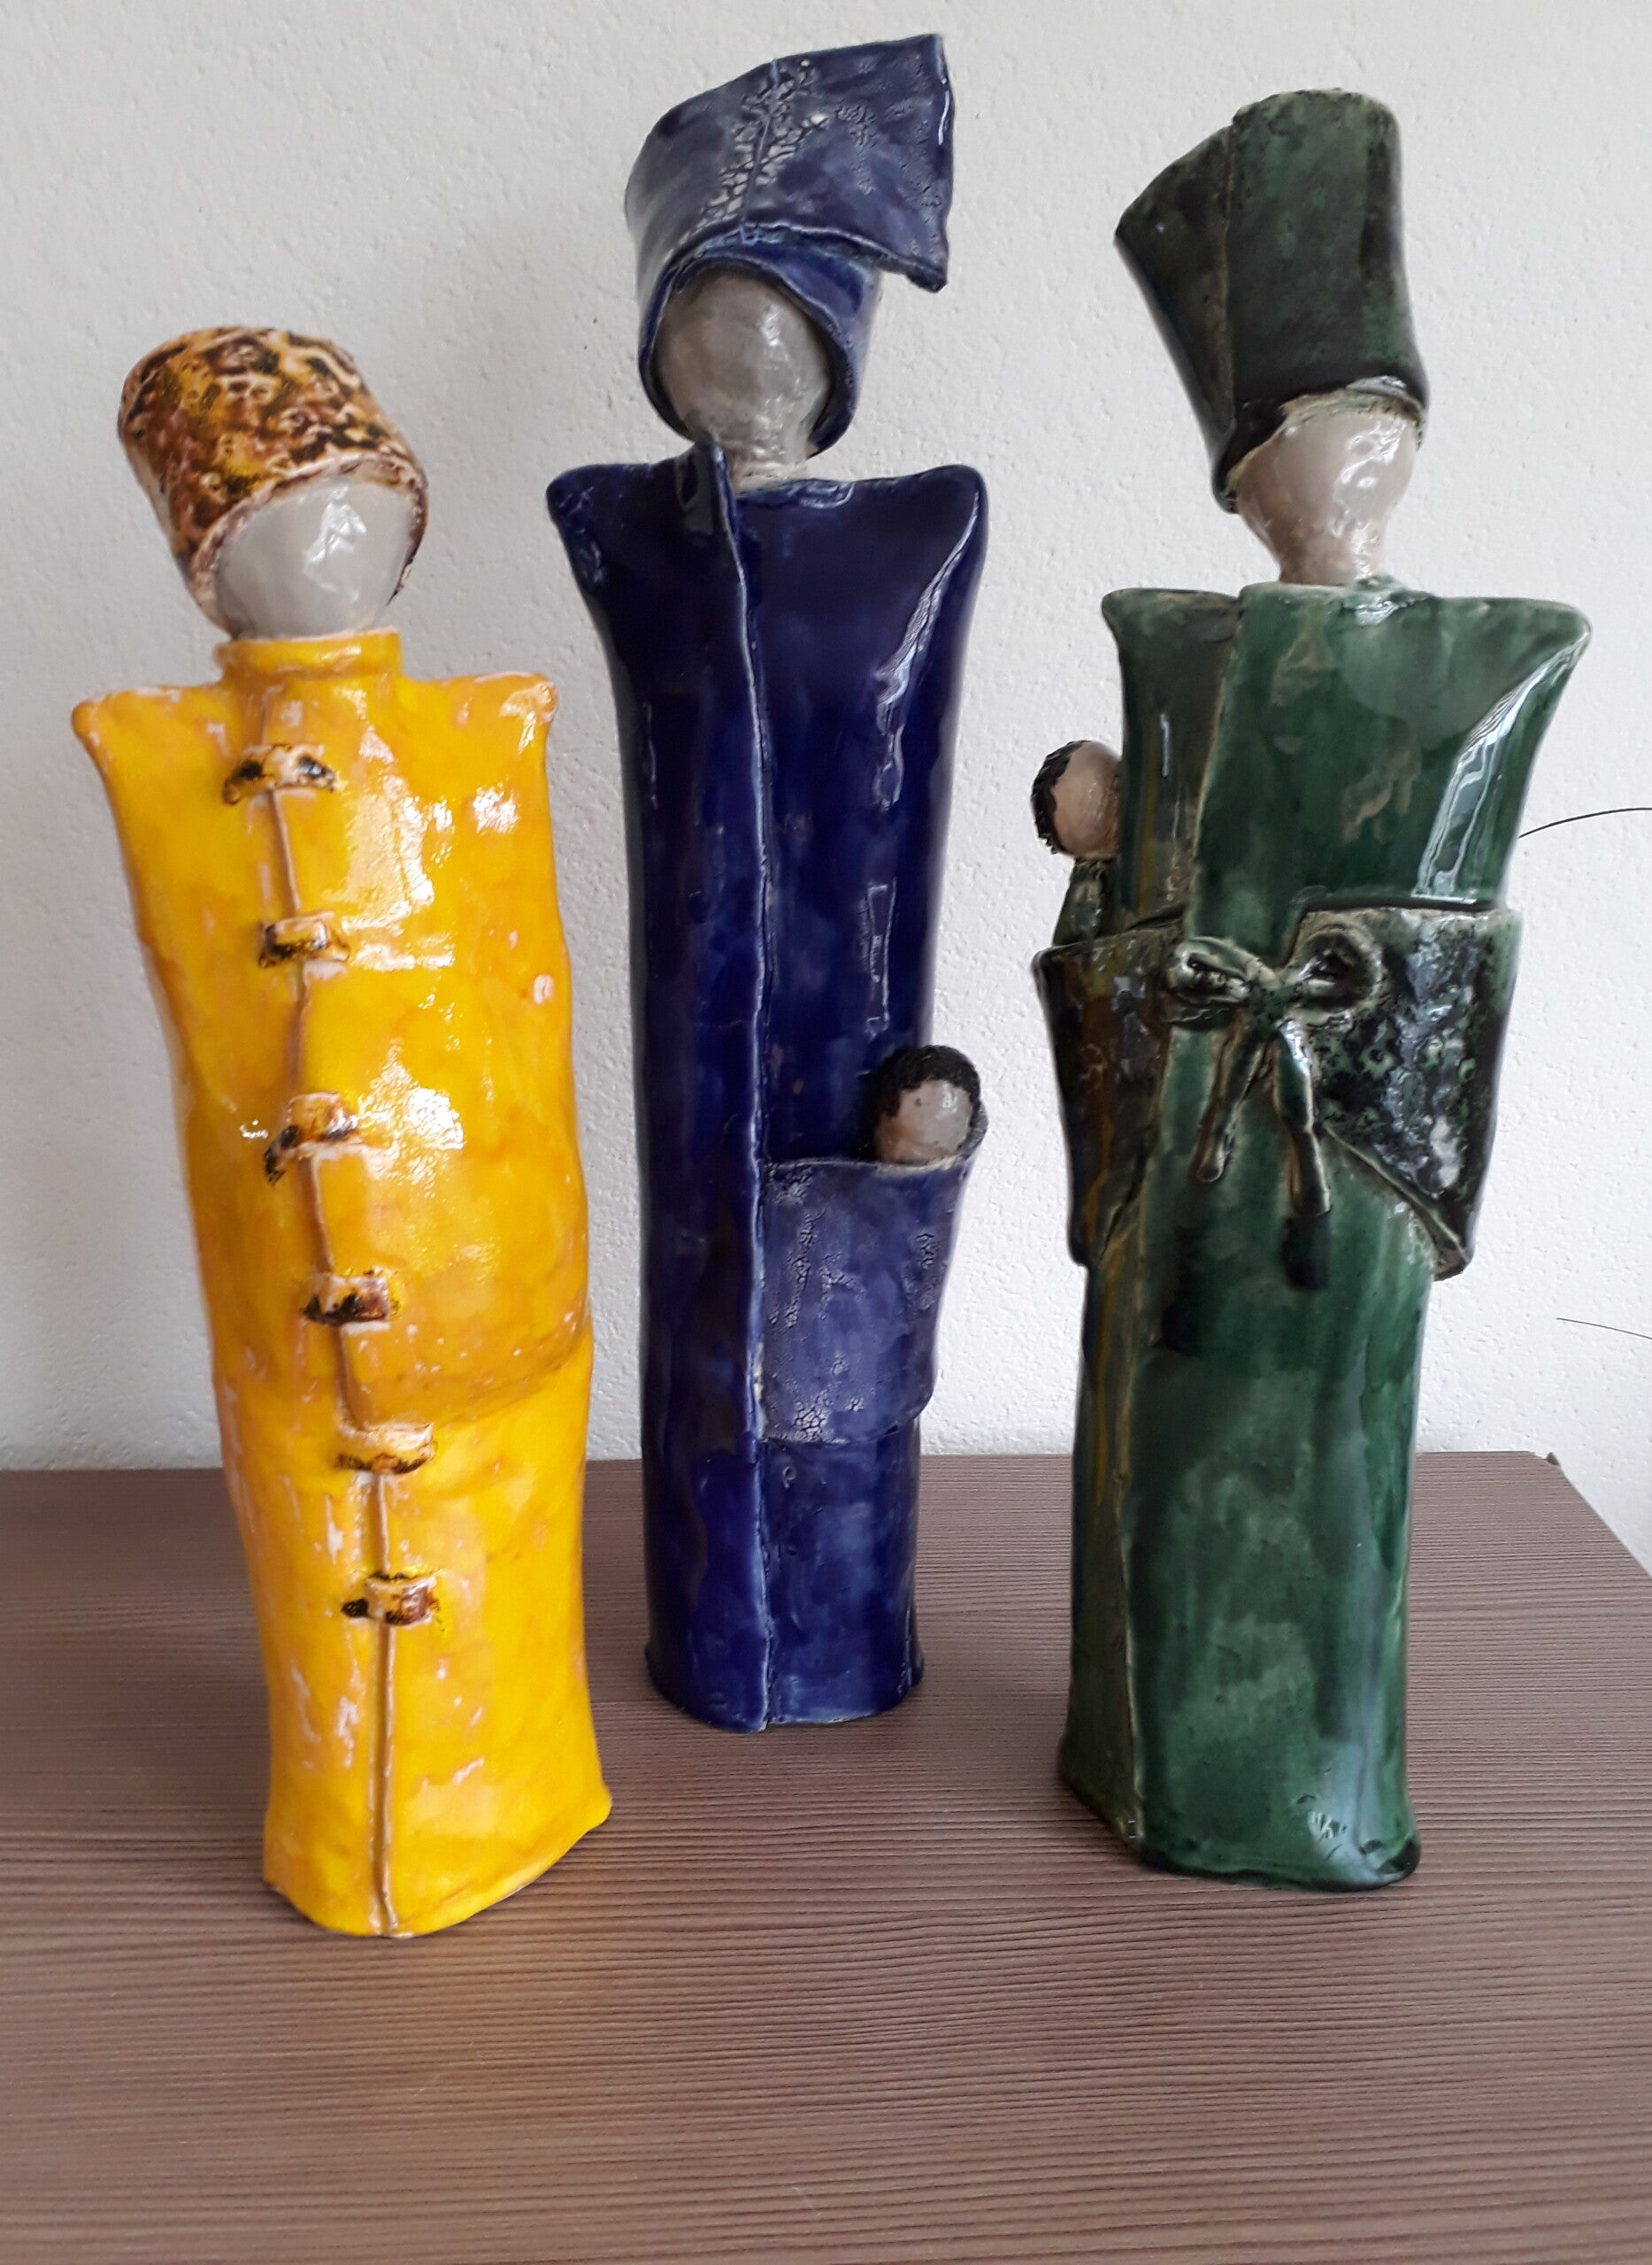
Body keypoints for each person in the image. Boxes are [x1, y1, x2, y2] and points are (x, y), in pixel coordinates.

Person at [1034, 94, 1589, 1888]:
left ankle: (1328, 1791)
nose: (1334, 462)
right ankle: (1144, 1758)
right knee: (1162, 1425)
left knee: (1340, 1449)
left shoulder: (1494, 653)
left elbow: (1458, 943)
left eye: (1370, 421)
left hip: (1341, 1146)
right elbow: (1127, 904)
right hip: (1198, 1124)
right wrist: (1093, 851)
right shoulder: (1172, 646)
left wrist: (1400, 1129)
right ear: (1240, 473)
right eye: (1288, 434)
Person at [75, 329, 608, 1934]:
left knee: (500, 1559)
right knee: (323, 1571)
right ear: (203, 558)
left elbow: (522, 1016)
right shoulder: (152, 752)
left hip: (494, 1297)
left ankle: (524, 1795)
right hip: (284, 1319)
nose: (328, 537)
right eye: (270, 512)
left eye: (359, 494)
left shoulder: (492, 729)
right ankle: (341, 1833)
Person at [551, 37, 987, 1731]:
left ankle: (843, 1640)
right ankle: (711, 1640)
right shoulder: (624, 534)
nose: (738, 354)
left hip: (851, 1048)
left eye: (776, 314)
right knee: (704, 1320)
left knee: (843, 1357)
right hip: (692, 1076)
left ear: (840, 344)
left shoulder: (920, 535)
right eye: (700, 315)